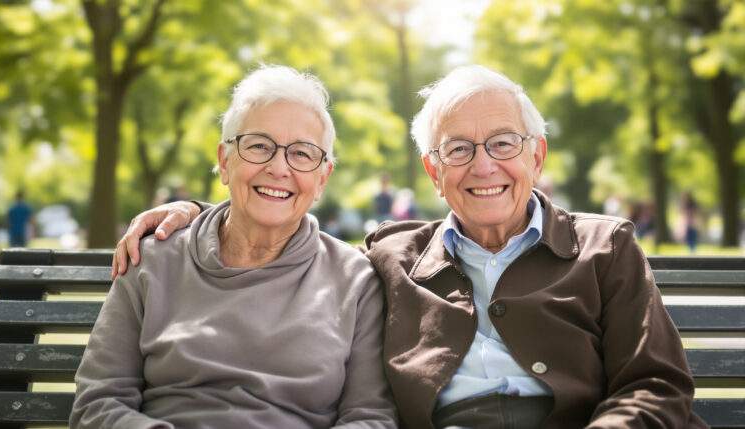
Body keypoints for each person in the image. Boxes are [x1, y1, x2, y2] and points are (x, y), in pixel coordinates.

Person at [112, 65, 705, 428]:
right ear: (431, 170)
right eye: (457, 149)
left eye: (503, 142)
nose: (483, 166)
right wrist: (191, 216)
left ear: (536, 156)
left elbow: (654, 383)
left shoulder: (606, 246)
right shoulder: (392, 259)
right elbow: (275, 219)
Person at [70, 65, 396, 428]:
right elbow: (97, 404)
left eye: (302, 153)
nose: (279, 167)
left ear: (322, 179)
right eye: (259, 146)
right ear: (225, 162)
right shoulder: (153, 259)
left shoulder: (355, 281)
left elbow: (371, 417)